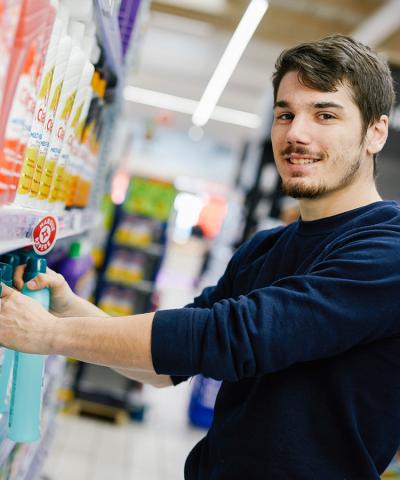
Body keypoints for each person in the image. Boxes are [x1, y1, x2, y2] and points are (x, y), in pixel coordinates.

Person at [0, 34, 399, 479]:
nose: (296, 133)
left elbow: (234, 337)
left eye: (325, 114)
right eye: (285, 114)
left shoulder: (389, 249)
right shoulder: (264, 249)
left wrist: (51, 336)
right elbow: (169, 365)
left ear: (375, 133)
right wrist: (70, 311)